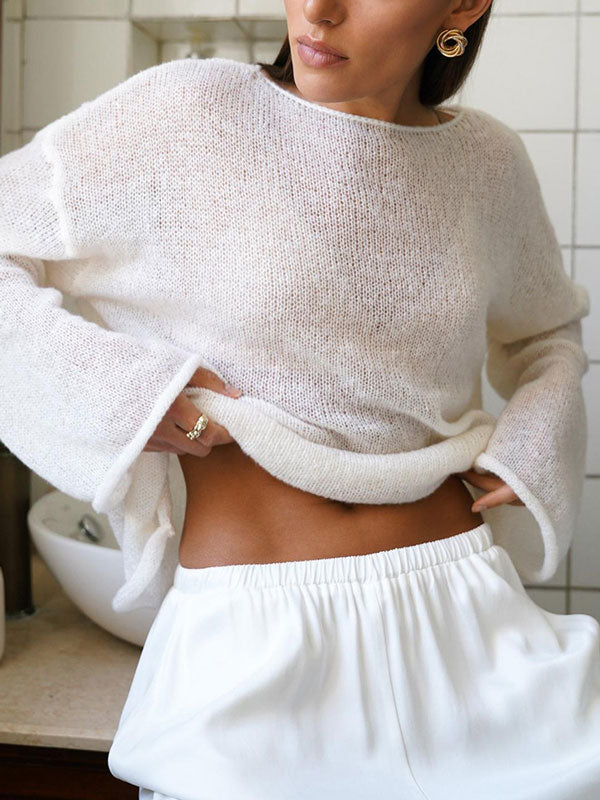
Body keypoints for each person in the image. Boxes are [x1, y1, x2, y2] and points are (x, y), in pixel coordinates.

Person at [1, 0, 598, 797]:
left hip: (473, 620)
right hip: (248, 644)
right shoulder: (189, 111)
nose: (318, 9)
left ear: (461, 6)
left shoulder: (489, 161)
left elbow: (547, 332)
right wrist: (127, 393)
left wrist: (531, 443)